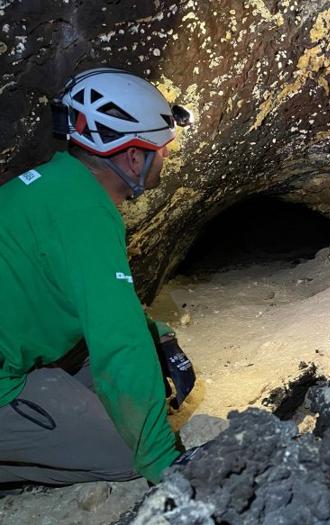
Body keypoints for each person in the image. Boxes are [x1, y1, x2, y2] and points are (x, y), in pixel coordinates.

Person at [0, 68, 194, 487]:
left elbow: (101, 303)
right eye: (162, 149)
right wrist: (163, 461)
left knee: (137, 374)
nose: (166, 157)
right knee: (127, 454)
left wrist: (155, 334)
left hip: (15, 352)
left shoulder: (57, 187)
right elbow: (117, 342)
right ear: (132, 156)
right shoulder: (86, 215)